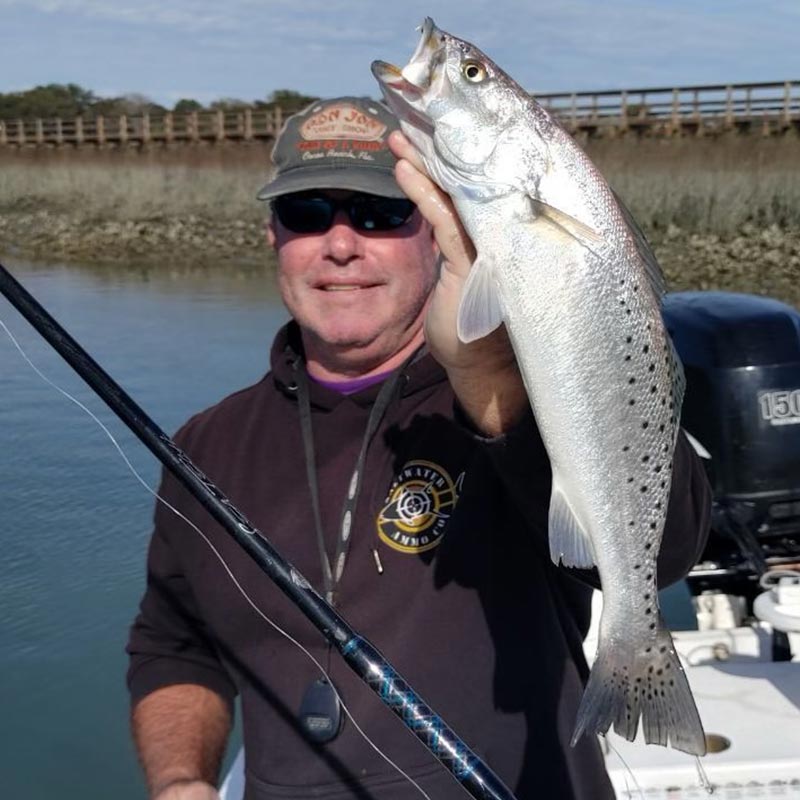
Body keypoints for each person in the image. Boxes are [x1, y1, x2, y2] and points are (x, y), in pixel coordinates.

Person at [127, 96, 711, 800]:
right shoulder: (207, 444)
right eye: (307, 214)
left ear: (437, 232)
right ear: (272, 234)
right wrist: (180, 779)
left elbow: (670, 548)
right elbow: (174, 644)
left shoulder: (524, 389)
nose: (341, 244)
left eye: (379, 213)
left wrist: (483, 372)